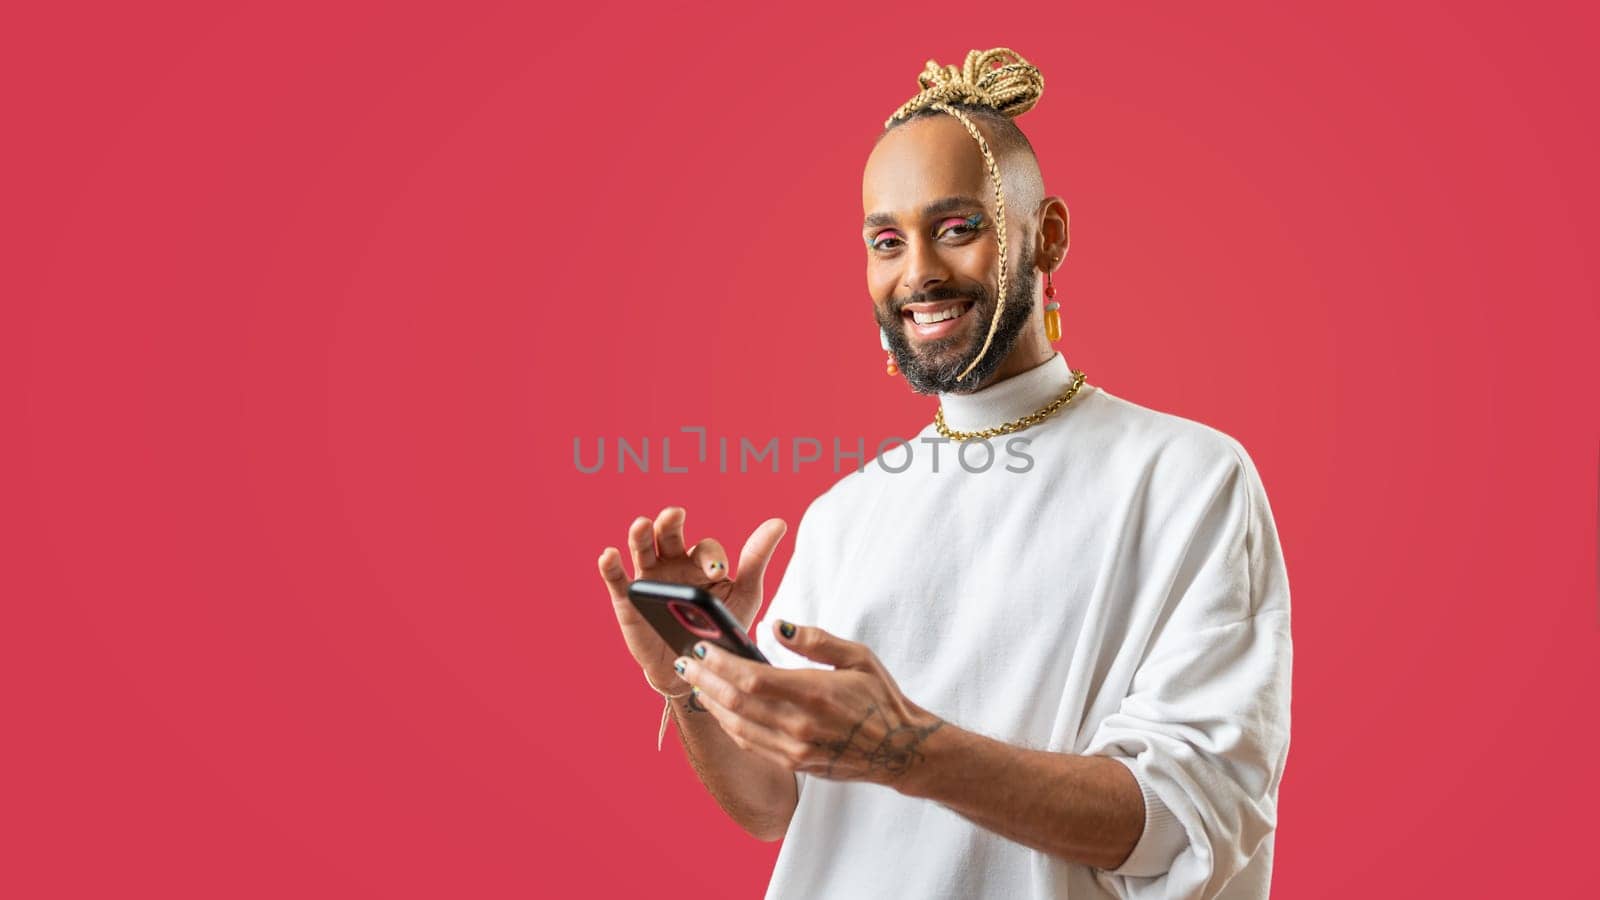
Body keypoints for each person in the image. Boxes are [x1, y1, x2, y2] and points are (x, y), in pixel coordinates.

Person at [596, 47, 1292, 900]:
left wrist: (906, 750)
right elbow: (775, 805)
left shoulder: (1189, 481)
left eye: (957, 228)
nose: (917, 272)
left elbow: (1191, 821)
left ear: (1049, 235)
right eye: (887, 241)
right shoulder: (845, 513)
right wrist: (694, 680)